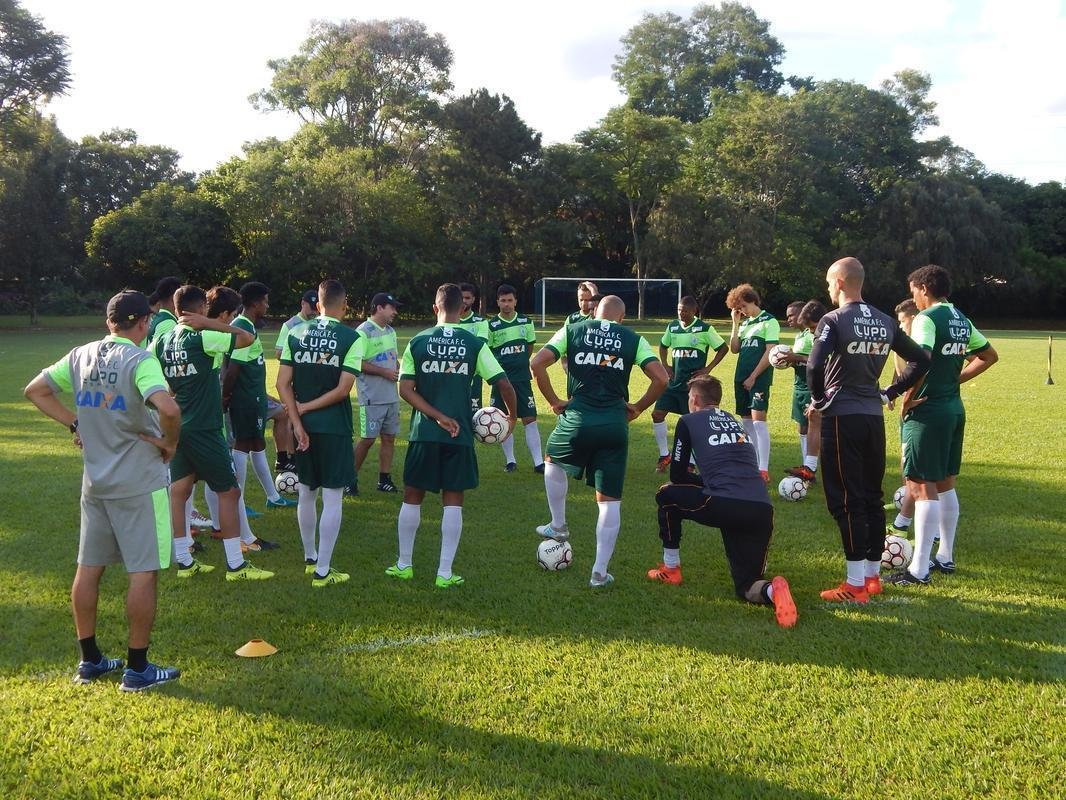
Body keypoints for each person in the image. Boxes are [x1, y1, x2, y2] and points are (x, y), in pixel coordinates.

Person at [24, 290, 182, 691]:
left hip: (95, 481)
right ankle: (138, 668)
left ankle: (90, 660)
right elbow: (168, 408)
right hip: (139, 483)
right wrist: (170, 443)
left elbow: (35, 390)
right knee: (143, 571)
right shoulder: (141, 360)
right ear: (144, 323)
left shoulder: (80, 355)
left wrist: (75, 423)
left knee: (89, 567)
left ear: (109, 321)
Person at [806, 257, 929, 603]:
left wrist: (819, 400)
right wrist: (890, 392)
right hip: (872, 418)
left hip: (841, 419)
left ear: (840, 282)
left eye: (829, 282)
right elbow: (922, 359)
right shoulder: (885, 320)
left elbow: (814, 365)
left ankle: (855, 584)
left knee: (846, 500)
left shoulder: (834, 319)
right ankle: (872, 578)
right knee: (873, 497)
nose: (828, 288)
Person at [530, 295, 669, 587]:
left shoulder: (573, 329)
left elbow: (537, 362)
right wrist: (638, 407)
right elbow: (661, 379)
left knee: (552, 460)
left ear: (594, 313)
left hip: (577, 420)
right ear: (622, 318)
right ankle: (599, 573)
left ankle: (558, 525)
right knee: (609, 502)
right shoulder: (633, 338)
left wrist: (554, 400)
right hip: (614, 425)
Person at [387, 283, 516, 588]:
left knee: (412, 496)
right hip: (459, 434)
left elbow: (405, 389)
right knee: (453, 500)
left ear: (435, 308)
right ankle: (444, 573)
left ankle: (404, 564)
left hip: (423, 433)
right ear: (462, 309)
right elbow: (504, 384)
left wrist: (435, 416)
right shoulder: (473, 343)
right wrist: (511, 418)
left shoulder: (418, 341)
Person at [649, 376, 797, 628]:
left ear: (695, 399)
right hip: (762, 509)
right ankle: (773, 590)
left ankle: (671, 569)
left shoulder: (688, 420)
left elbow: (678, 475)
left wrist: (707, 482)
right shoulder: (733, 420)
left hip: (724, 502)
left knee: (666, 495)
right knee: (747, 586)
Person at [887, 265, 998, 586]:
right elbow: (989, 355)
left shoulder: (927, 318)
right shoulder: (960, 319)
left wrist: (905, 397)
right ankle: (945, 557)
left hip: (928, 411)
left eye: (914, 292)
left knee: (921, 485)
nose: (914, 299)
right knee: (946, 483)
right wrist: (954, 379)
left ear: (924, 288)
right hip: (953, 408)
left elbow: (921, 360)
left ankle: (918, 569)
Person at [155, 285, 275, 582]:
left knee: (179, 491)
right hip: (205, 427)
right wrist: (210, 323)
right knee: (229, 491)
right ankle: (236, 565)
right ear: (199, 309)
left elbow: (149, 376)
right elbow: (246, 338)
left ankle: (184, 561)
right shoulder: (203, 336)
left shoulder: (162, 340)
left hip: (177, 425)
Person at [276, 279, 361, 587]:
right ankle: (323, 571)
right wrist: (306, 409)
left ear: (318, 304)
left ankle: (310, 557)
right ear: (344, 305)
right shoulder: (352, 337)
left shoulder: (295, 332)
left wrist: (297, 421)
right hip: (334, 427)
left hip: (305, 427)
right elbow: (343, 390)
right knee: (333, 496)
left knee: (307, 492)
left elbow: (282, 384)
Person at [224, 281, 298, 511]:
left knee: (257, 444)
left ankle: (273, 497)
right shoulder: (242, 328)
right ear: (255, 303)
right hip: (245, 400)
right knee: (242, 445)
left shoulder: (248, 326)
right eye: (265, 301)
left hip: (254, 397)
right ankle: (238, 504)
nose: (267, 305)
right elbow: (232, 369)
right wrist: (225, 398)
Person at [652, 295, 727, 472]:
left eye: (685, 311)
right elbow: (663, 346)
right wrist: (665, 365)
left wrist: (708, 368)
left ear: (694, 311)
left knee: (693, 424)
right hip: (673, 383)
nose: (681, 314)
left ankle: (691, 463)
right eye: (679, 310)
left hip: (693, 385)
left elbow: (723, 348)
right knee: (657, 414)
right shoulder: (673, 327)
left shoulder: (705, 329)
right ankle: (664, 455)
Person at [488, 283, 544, 473]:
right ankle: (510, 461)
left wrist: (519, 364)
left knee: (530, 418)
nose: (506, 304)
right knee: (504, 419)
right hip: (501, 380)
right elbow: (489, 352)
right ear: (498, 302)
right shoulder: (491, 325)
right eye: (503, 300)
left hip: (521, 379)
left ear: (515, 301)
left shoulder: (526, 322)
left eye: (510, 300)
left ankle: (538, 463)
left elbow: (529, 347)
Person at [726, 284, 779, 482]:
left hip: (758, 378)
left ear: (753, 301)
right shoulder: (745, 324)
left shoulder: (769, 321)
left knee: (758, 422)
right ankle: (752, 464)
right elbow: (734, 349)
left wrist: (754, 376)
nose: (742, 311)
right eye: (738, 308)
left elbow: (770, 351)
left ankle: (763, 469)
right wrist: (735, 324)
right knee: (746, 423)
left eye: (743, 306)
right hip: (740, 377)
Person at [352, 292, 403, 493]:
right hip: (371, 397)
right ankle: (348, 478)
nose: (395, 312)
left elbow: (392, 357)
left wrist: (396, 366)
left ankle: (384, 479)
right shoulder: (363, 332)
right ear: (379, 307)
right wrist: (384, 372)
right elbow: (357, 363)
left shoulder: (390, 331)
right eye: (392, 308)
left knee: (389, 437)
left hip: (391, 396)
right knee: (367, 439)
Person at [272, 289, 318, 472]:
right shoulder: (290, 325)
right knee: (291, 417)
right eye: (311, 307)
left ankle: (306, 454)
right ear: (302, 303)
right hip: (292, 379)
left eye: (316, 307)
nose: (314, 311)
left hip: (311, 379)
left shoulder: (318, 323)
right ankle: (291, 458)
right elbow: (278, 352)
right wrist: (300, 355)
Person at [783, 300, 827, 483]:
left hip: (813, 386)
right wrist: (789, 361)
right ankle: (806, 466)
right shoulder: (800, 336)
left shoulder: (814, 334)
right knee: (802, 426)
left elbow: (819, 360)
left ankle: (814, 468)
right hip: (799, 386)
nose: (789, 319)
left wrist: (796, 357)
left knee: (815, 424)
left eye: (791, 315)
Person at [887, 298, 920, 537]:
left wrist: (906, 399)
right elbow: (900, 369)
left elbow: (918, 371)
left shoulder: (921, 342)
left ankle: (908, 517)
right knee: (905, 456)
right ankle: (907, 496)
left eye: (902, 321)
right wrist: (893, 390)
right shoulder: (904, 342)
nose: (899, 326)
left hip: (917, 405)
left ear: (914, 318)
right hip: (905, 403)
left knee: (916, 464)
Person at [456, 282, 490, 414]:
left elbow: (478, 348)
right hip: (451, 372)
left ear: (473, 299)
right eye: (461, 298)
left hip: (473, 373)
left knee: (473, 414)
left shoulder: (481, 322)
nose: (464, 301)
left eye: (467, 298)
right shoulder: (449, 321)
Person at [561, 281, 598, 374]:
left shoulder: (598, 316)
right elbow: (563, 345)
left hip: (596, 368)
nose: (584, 303)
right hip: (576, 368)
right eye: (581, 299)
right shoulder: (571, 319)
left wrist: (594, 290)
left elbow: (599, 309)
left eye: (588, 300)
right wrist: (565, 365)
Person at [146, 276, 182, 345]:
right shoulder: (168, 322)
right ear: (173, 298)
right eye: (182, 297)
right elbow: (161, 350)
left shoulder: (157, 318)